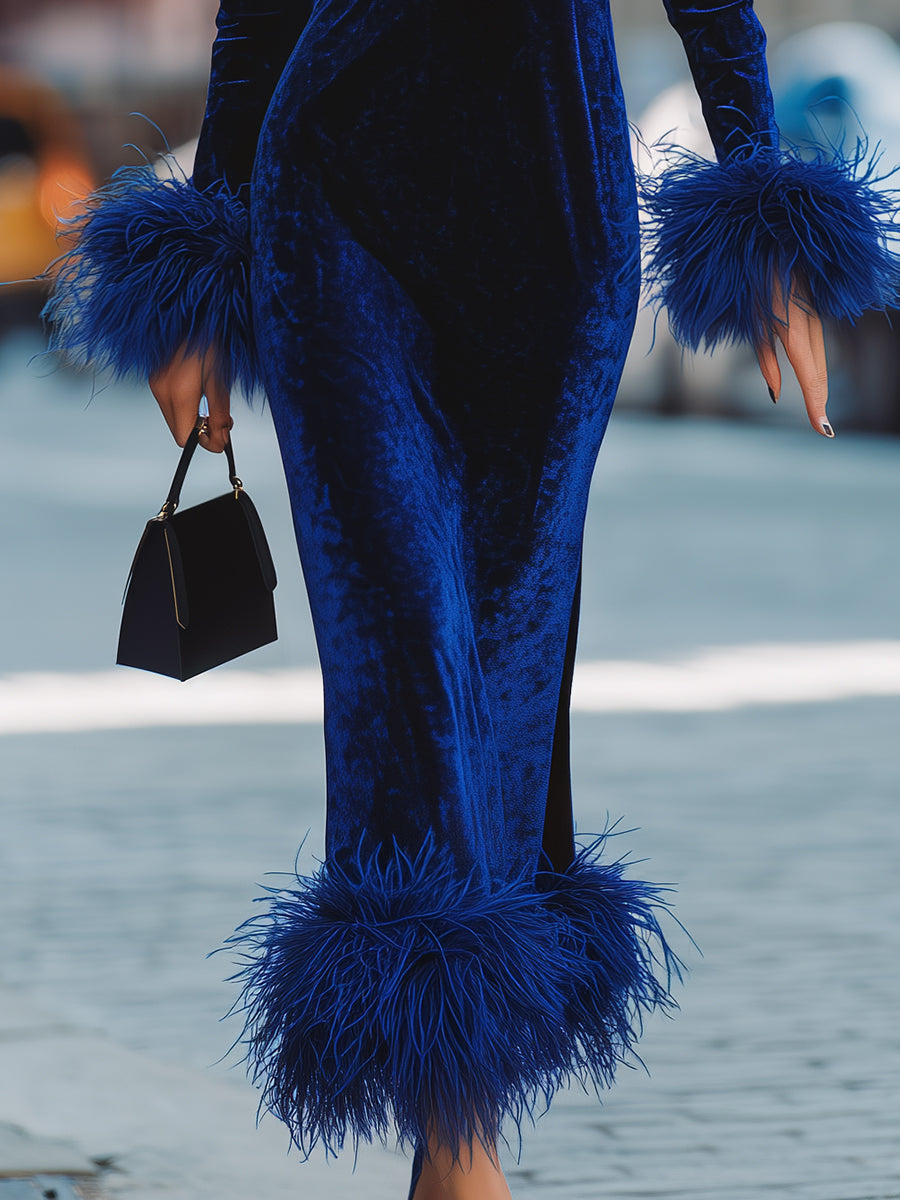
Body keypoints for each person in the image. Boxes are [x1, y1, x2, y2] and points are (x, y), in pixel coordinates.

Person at [45, 2, 898, 1197]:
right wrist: (206, 260)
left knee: (508, 651)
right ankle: (458, 1146)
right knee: (403, 635)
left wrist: (761, 206)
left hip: (557, 222)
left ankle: (459, 1114)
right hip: (336, 210)